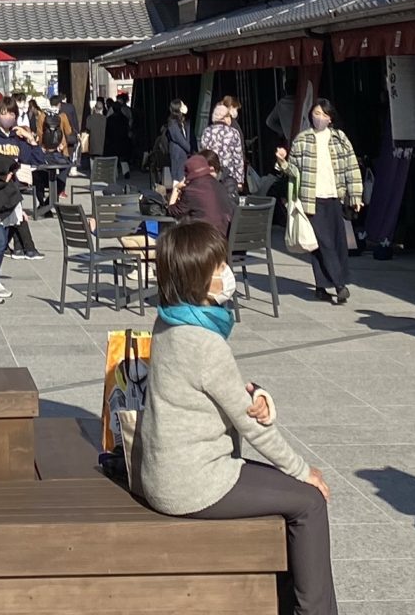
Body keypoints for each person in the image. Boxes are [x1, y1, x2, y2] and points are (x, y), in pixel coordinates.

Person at [130, 220, 336, 615]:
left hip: (165, 473)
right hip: (195, 484)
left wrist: (256, 394)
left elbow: (219, 391)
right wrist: (302, 470)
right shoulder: (205, 343)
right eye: (218, 267)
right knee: (309, 502)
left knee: (289, 500)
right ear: (196, 278)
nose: (227, 273)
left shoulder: (169, 321)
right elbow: (251, 428)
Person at [0, 101, 63, 305]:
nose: (8, 117)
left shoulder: (17, 139)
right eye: (4, 113)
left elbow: (38, 160)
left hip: (10, 197)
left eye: (11, 113)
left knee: (3, 242)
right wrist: (2, 170)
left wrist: (31, 139)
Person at [275, 101, 364, 305]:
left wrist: (355, 196)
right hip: (311, 199)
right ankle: (340, 285)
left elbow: (351, 167)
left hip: (334, 197)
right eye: (316, 113)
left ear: (330, 118)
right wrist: (282, 162)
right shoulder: (302, 139)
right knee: (325, 242)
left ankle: (321, 287)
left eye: (324, 114)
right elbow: (294, 172)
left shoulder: (340, 138)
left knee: (335, 243)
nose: (319, 117)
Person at [166, 150, 233, 235]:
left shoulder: (192, 190)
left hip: (205, 238)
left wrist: (176, 189)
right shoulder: (219, 185)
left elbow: (172, 211)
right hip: (223, 237)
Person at [200, 97, 247, 187]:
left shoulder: (207, 132)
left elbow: (203, 154)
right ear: (225, 117)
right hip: (229, 177)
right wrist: (240, 181)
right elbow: (238, 158)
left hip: (211, 175)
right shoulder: (232, 132)